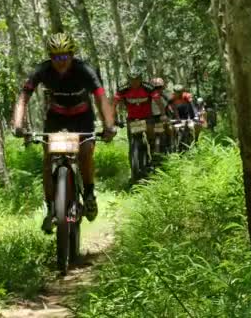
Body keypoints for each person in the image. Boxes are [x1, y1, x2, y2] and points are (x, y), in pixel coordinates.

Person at [11, 32, 117, 233]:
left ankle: (88, 194)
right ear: (50, 57)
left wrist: (109, 125)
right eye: (55, 57)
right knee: (48, 159)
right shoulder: (43, 70)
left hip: (82, 116)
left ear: (71, 54)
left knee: (85, 151)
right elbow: (24, 96)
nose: (60, 61)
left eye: (64, 56)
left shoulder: (84, 69)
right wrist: (18, 124)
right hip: (56, 117)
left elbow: (100, 97)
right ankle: (51, 209)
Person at [114, 69, 165, 155]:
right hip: (132, 119)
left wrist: (163, 115)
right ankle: (133, 160)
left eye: (137, 79)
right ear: (128, 79)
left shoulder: (148, 88)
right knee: (132, 141)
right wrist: (113, 119)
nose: (134, 82)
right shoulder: (122, 89)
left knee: (151, 136)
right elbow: (113, 104)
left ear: (141, 78)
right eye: (132, 79)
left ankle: (154, 153)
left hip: (147, 117)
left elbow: (159, 102)